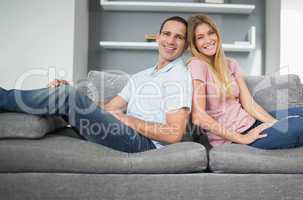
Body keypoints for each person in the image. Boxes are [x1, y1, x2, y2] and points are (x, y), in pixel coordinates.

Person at [0, 16, 192, 153]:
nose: (171, 41)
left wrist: (129, 121)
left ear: (186, 46)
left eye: (179, 37)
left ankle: (3, 97)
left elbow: (174, 134)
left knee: (67, 96)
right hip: (124, 131)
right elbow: (109, 108)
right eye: (167, 34)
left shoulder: (178, 77)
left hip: (145, 144)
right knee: (66, 94)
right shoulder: (141, 77)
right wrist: (74, 94)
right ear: (158, 37)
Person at [187, 14, 303, 149]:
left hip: (253, 123)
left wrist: (274, 123)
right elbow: (198, 116)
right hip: (235, 137)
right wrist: (243, 138)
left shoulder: (230, 64)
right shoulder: (197, 65)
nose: (208, 40)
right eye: (200, 37)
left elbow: (249, 104)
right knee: (298, 125)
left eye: (210, 33)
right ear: (193, 44)